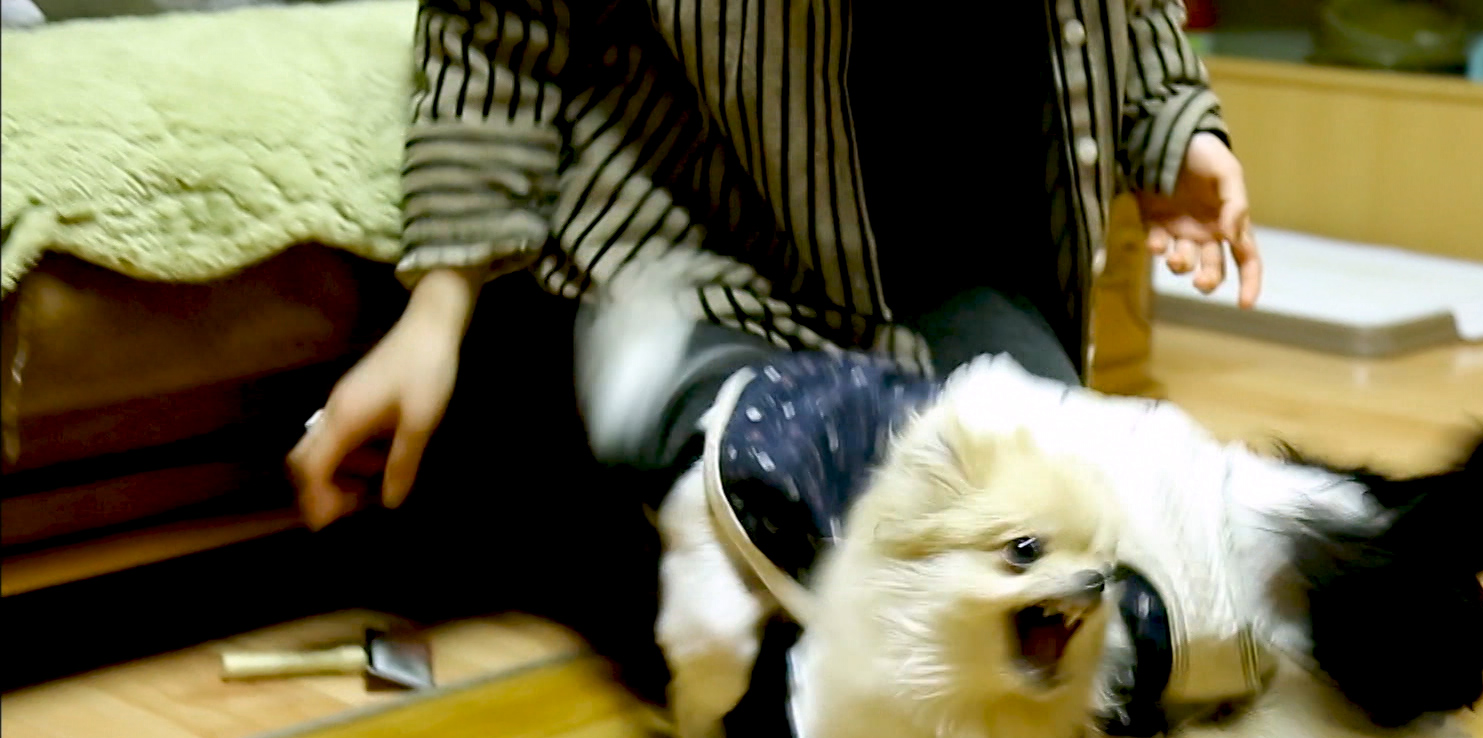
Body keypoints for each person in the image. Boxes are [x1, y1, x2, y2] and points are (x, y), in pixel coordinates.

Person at [287, 1, 1264, 701]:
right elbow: (501, 28)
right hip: (693, 240)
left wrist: (1169, 127)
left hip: (961, 259)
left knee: (1114, 610)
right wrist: (436, 311)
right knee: (804, 630)